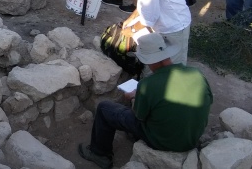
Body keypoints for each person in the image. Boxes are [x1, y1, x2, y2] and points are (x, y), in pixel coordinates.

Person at [78, 32, 212, 169]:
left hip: (163, 141)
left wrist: (135, 97)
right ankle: (132, 136)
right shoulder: (197, 74)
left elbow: (139, 116)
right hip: (191, 138)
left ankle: (100, 154)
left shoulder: (148, 84)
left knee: (104, 108)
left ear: (150, 60)